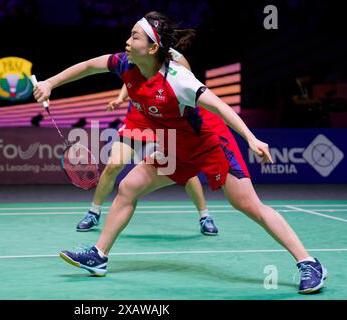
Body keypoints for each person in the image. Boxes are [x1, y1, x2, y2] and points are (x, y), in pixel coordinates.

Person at [33, 12, 328, 294]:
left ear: (152, 47)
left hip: (210, 144)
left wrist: (251, 138)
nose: (127, 41)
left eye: (134, 37)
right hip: (175, 148)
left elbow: (221, 107)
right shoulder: (124, 64)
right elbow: (86, 66)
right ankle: (99, 256)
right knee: (128, 187)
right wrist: (50, 83)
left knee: (248, 205)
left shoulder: (178, 79)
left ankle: (309, 263)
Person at [76, 47, 219, 236]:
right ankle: (93, 212)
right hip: (137, 121)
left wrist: (171, 51)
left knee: (186, 172)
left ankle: (204, 216)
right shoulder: (136, 59)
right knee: (113, 165)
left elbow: (188, 73)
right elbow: (129, 78)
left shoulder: (170, 63)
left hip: (165, 123)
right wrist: (120, 98)